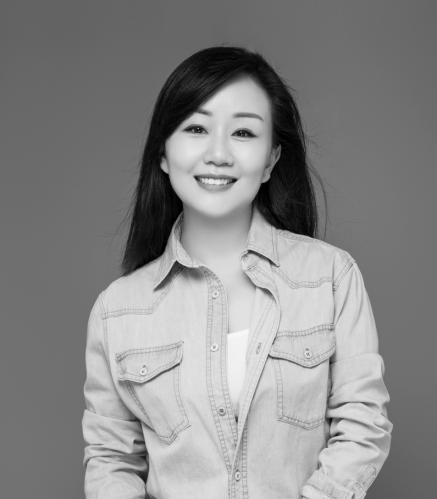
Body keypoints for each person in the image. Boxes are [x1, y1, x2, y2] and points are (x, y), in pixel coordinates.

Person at [82, 45, 392, 499]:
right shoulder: (117, 311)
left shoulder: (330, 277)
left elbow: (362, 423)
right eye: (196, 128)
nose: (218, 153)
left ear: (270, 160)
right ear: (163, 153)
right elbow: (112, 461)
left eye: (244, 132)